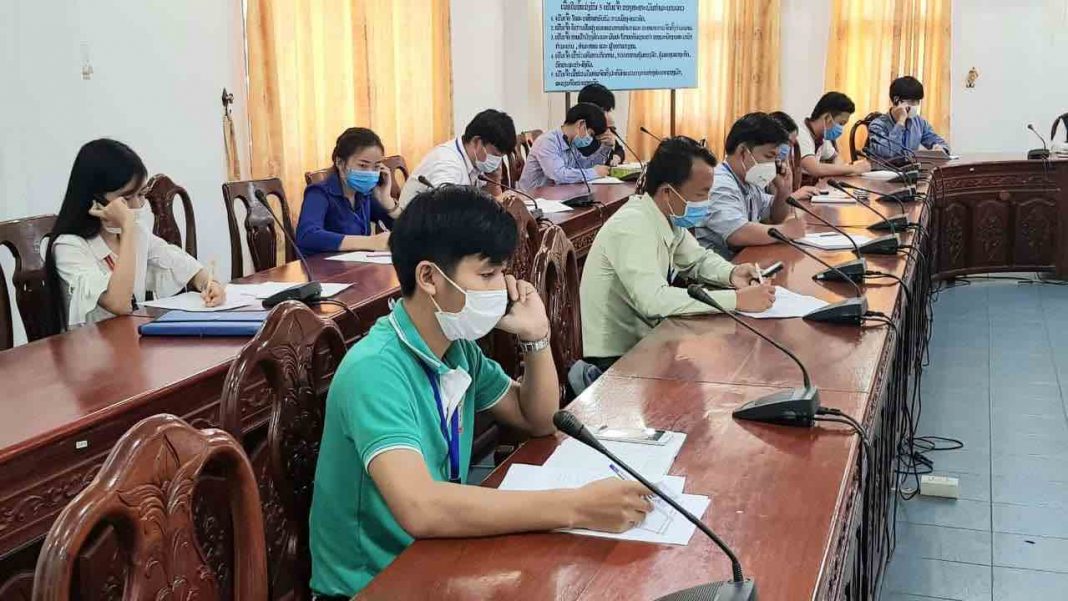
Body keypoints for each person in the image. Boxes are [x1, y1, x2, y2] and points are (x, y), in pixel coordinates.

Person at [309, 186, 652, 597]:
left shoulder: (457, 350)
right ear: (430, 277)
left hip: (436, 556)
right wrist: (577, 506)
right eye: (487, 274)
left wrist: (537, 338)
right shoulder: (376, 369)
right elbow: (421, 507)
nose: (502, 287)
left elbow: (537, 420)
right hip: (373, 583)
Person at [579, 136, 775, 367]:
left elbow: (697, 260)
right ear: (667, 193)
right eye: (702, 194)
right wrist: (735, 299)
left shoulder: (667, 216)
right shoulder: (632, 226)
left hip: (649, 344)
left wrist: (732, 274)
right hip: (614, 361)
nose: (707, 202)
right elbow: (654, 301)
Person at [45, 139, 225, 329]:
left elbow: (184, 265)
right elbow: (119, 303)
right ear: (94, 199)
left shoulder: (136, 231)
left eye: (141, 194)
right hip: (92, 353)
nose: (138, 206)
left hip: (132, 344)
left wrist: (210, 284)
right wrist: (128, 228)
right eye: (126, 198)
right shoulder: (69, 247)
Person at [696, 113, 823, 258]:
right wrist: (785, 231)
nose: (774, 164)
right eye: (769, 157)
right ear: (743, 152)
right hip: (718, 272)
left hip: (741, 263)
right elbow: (736, 233)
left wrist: (784, 190)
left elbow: (775, 217)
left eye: (776, 158)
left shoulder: (749, 181)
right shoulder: (719, 183)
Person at [295, 127, 401, 256]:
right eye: (363, 165)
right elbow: (307, 236)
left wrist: (387, 201)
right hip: (325, 271)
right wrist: (368, 242)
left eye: (376, 167)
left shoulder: (364, 194)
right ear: (340, 163)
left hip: (356, 269)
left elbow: (405, 230)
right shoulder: (319, 192)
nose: (370, 173)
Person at [399, 109, 516, 207]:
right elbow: (443, 214)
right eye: (495, 155)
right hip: (414, 228)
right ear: (476, 142)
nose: (497, 162)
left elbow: (492, 205)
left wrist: (494, 182)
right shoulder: (448, 164)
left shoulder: (475, 161)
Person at [517, 102, 613, 192]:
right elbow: (559, 175)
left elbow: (584, 166)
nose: (590, 139)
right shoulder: (547, 141)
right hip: (532, 199)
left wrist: (605, 147)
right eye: (591, 134)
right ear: (581, 124)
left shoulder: (571, 142)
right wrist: (594, 173)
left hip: (557, 194)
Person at [865, 76, 949, 160]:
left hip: (911, 171)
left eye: (918, 101)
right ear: (896, 100)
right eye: (911, 101)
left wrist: (940, 149)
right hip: (885, 171)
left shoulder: (919, 123)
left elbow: (940, 142)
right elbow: (888, 151)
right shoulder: (877, 125)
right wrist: (900, 122)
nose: (915, 105)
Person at [796, 92, 871, 179]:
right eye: (841, 123)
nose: (841, 128)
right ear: (827, 118)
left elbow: (836, 156)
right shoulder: (801, 134)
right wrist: (852, 168)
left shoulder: (821, 137)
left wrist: (840, 170)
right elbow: (815, 169)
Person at [577, 82, 626, 165]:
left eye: (607, 110)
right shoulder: (577, 133)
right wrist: (606, 148)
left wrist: (617, 157)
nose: (606, 115)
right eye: (603, 110)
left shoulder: (600, 129)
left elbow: (619, 150)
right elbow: (588, 164)